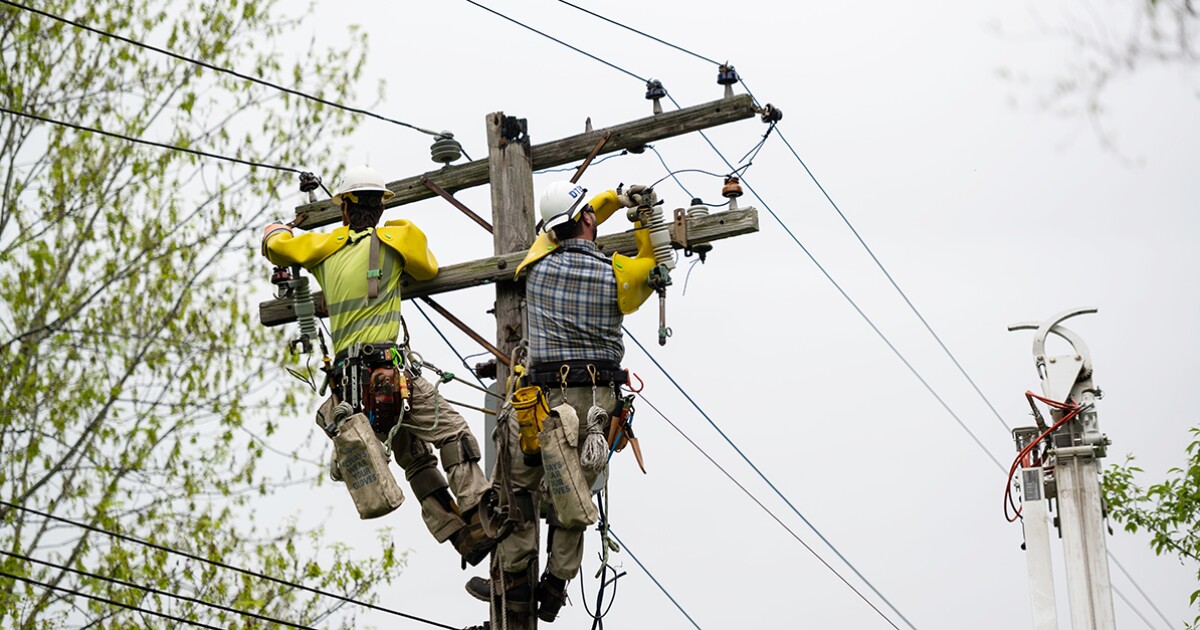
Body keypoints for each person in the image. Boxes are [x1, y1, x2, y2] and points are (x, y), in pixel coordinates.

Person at [262, 165, 496, 566]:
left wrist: (278, 228)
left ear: (345, 210)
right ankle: (479, 513)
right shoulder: (396, 240)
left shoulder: (323, 247)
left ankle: (460, 537)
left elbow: (277, 246)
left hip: (352, 397)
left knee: (415, 457)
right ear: (380, 209)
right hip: (390, 376)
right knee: (454, 432)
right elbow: (427, 269)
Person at [466, 180, 659, 622]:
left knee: (517, 489)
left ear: (552, 230)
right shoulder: (619, 275)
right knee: (573, 495)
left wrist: (607, 201)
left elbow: (565, 226)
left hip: (540, 405)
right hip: (594, 406)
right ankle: (554, 585)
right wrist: (639, 211)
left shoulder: (537, 264)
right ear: (588, 220)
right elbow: (653, 263)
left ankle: (513, 582)